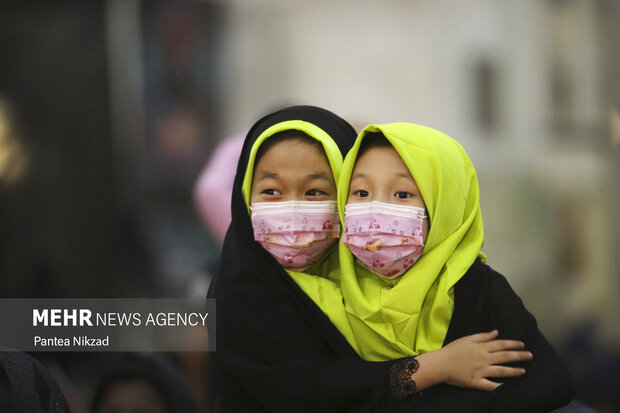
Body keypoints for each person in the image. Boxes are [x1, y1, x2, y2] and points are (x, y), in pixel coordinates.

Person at [208, 107, 532, 412]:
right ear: (244, 194)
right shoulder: (239, 293)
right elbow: (305, 390)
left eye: (315, 192)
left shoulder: (377, 281)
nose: (292, 209)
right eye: (271, 191)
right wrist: (434, 367)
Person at [336, 123, 574, 411]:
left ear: (445, 206)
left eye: (402, 194)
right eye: (360, 192)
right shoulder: (331, 292)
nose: (374, 210)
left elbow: (551, 384)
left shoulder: (478, 288)